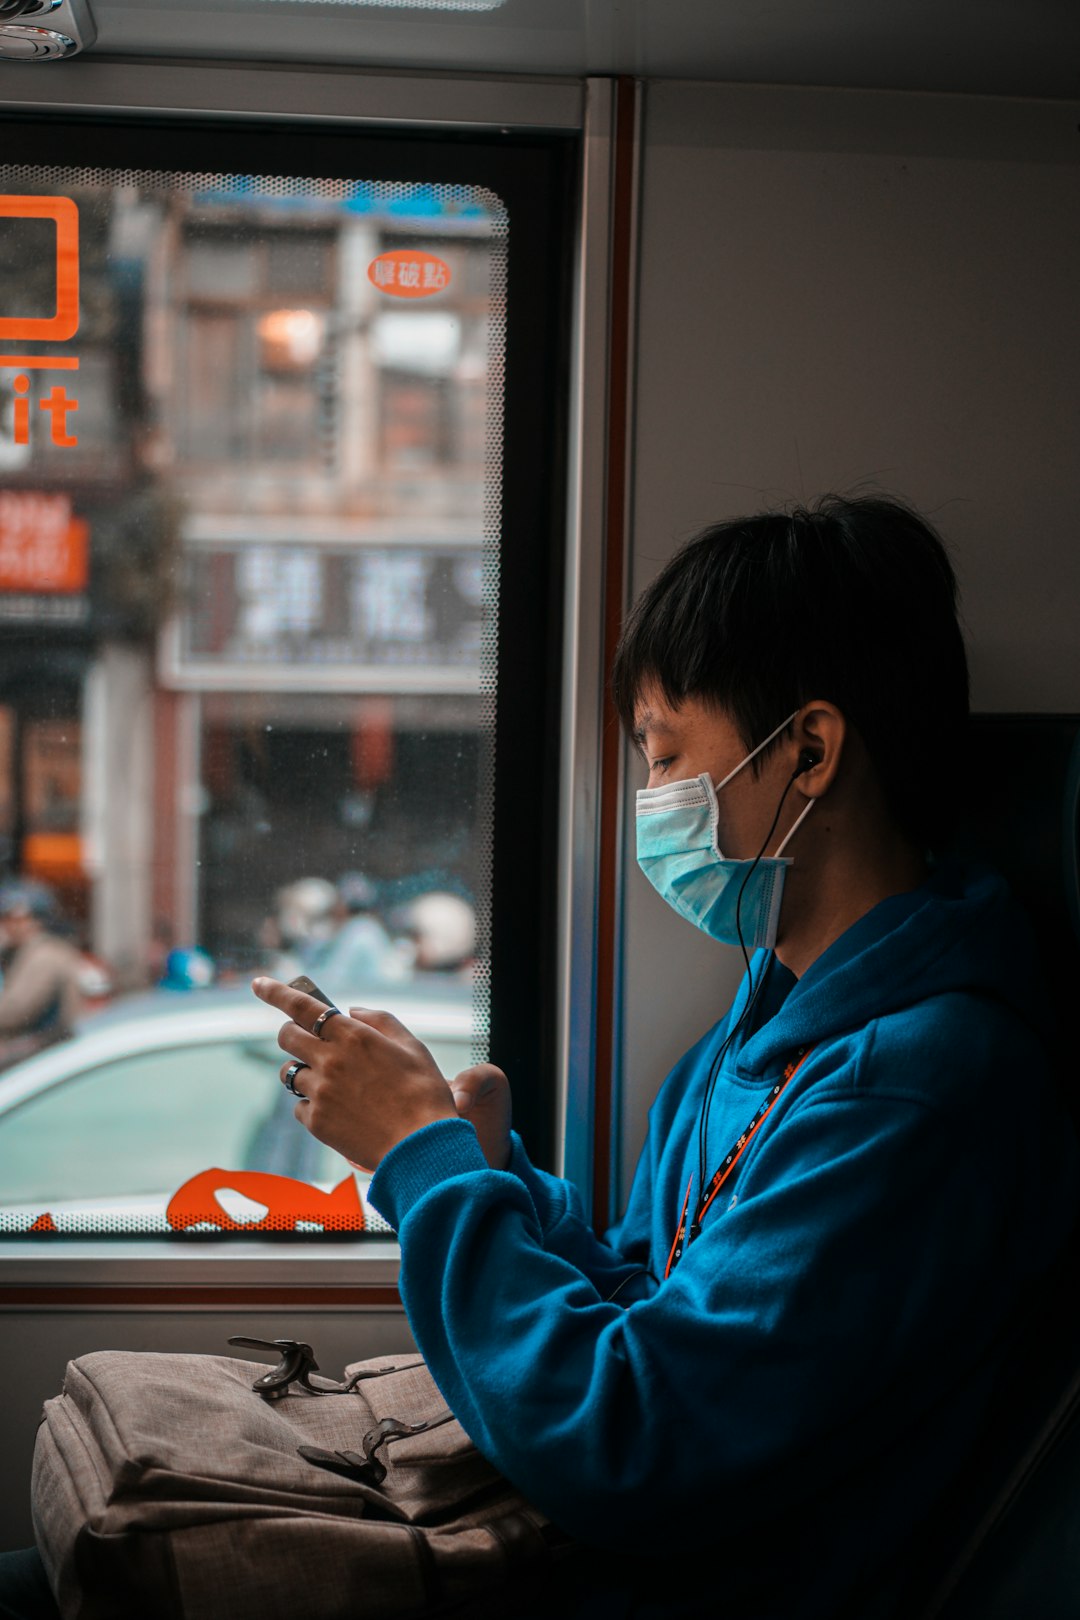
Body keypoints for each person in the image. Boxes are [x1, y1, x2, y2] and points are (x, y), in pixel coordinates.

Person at [3, 494, 1075, 1617]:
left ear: (807, 750)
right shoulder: (771, 1012)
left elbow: (629, 1442)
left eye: (666, 759)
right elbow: (652, 1304)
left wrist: (425, 1167)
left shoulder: (919, 1089)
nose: (651, 802)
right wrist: (498, 1176)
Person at [0, 880, 82, 1073]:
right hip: (38, 1049)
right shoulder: (22, 951)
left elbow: (15, 1010)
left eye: (17, 919)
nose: (9, 925)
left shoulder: (44, 954)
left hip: (44, 1053)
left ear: (36, 920)